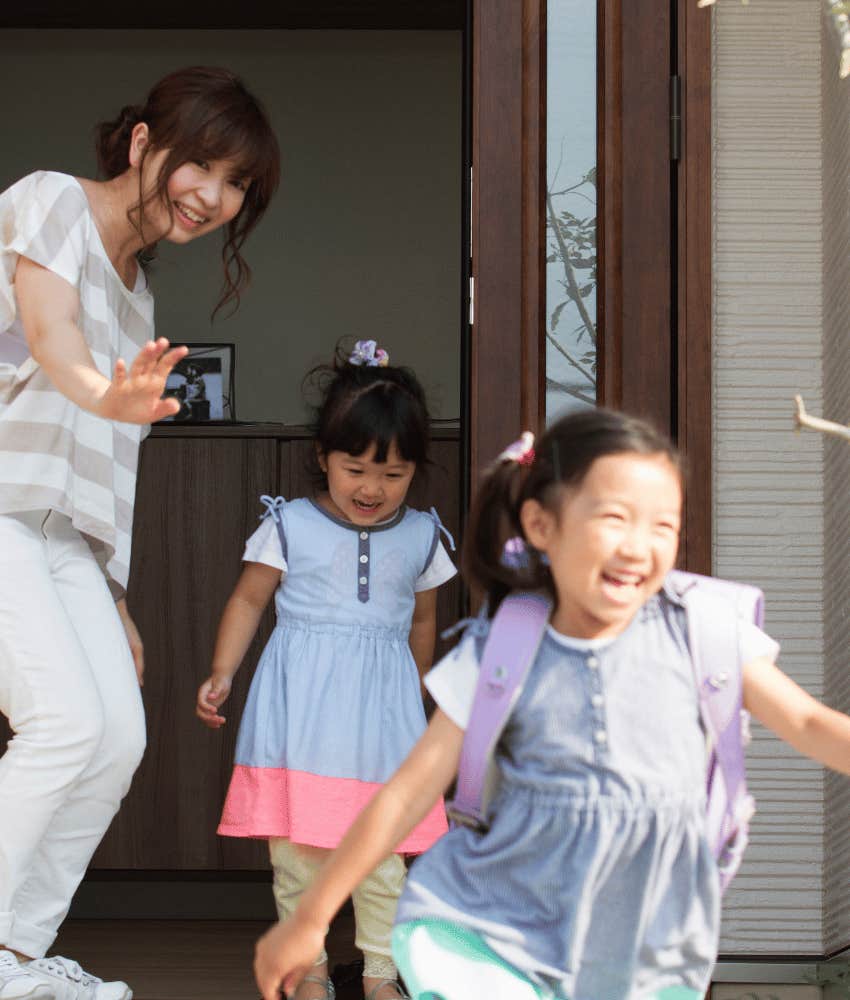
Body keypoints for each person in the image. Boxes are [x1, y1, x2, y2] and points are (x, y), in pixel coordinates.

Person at [253, 407, 850, 1000]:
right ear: (541, 525)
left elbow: (807, 721)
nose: (638, 547)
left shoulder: (705, 634)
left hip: (650, 941)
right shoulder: (505, 649)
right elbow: (408, 792)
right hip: (496, 926)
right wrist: (311, 918)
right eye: (615, 519)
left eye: (663, 526)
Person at [0, 66, 280, 1000]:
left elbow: (106, 459)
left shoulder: (143, 299)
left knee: (116, 736)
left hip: (58, 533)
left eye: (237, 182)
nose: (214, 195)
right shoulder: (51, 202)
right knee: (63, 723)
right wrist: (100, 391)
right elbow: (50, 336)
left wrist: (114, 595)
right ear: (141, 146)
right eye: (199, 163)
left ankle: (15, 956)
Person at [196, 341, 456, 1000]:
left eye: (393, 474)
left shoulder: (422, 535)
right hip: (301, 716)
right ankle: (309, 969)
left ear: (414, 472)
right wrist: (223, 670)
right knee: (296, 856)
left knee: (384, 856)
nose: (373, 489)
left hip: (381, 722)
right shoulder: (289, 526)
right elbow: (249, 598)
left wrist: (418, 701)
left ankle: (379, 974)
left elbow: (422, 623)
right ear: (323, 458)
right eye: (356, 469)